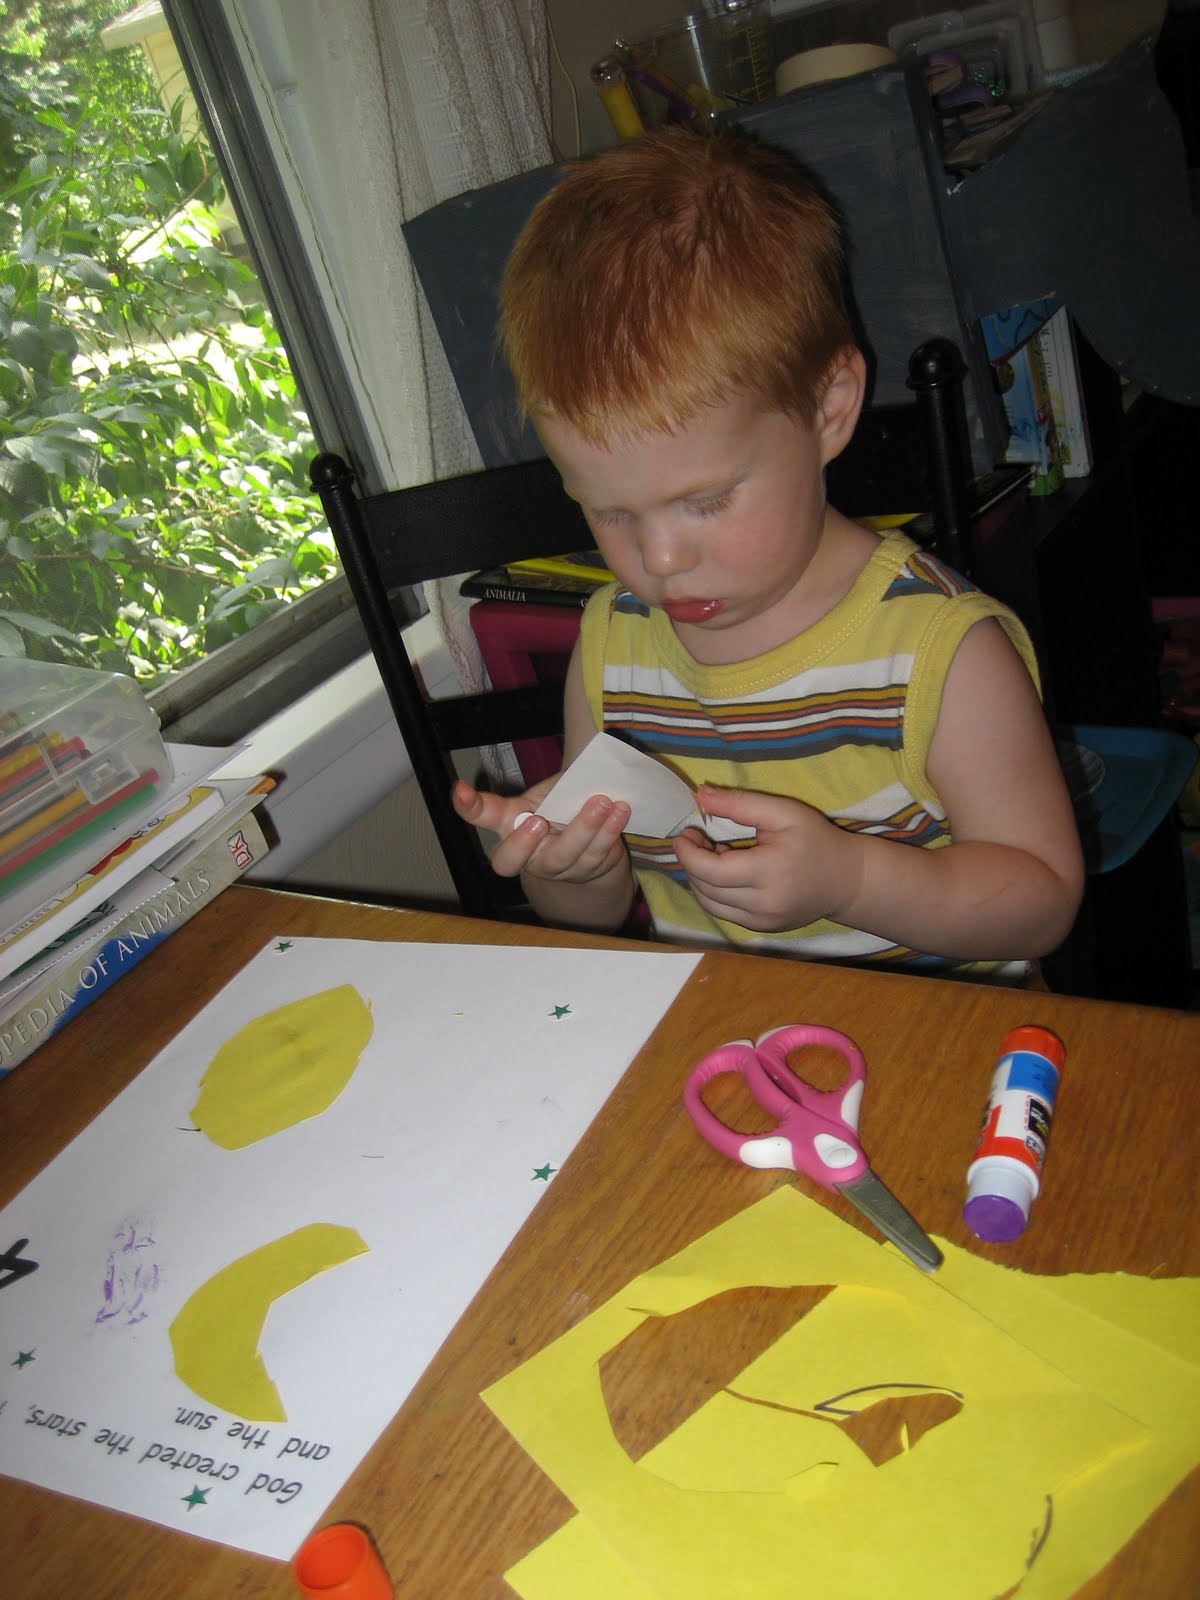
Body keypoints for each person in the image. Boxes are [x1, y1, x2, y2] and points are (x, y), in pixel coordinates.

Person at [452, 125, 1083, 983]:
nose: (659, 559)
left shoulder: (941, 652)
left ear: (829, 407)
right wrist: (576, 872)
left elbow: (1043, 902)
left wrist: (852, 879)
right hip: (721, 1032)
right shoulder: (611, 647)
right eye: (609, 512)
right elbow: (594, 917)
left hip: (931, 1038)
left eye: (706, 500)